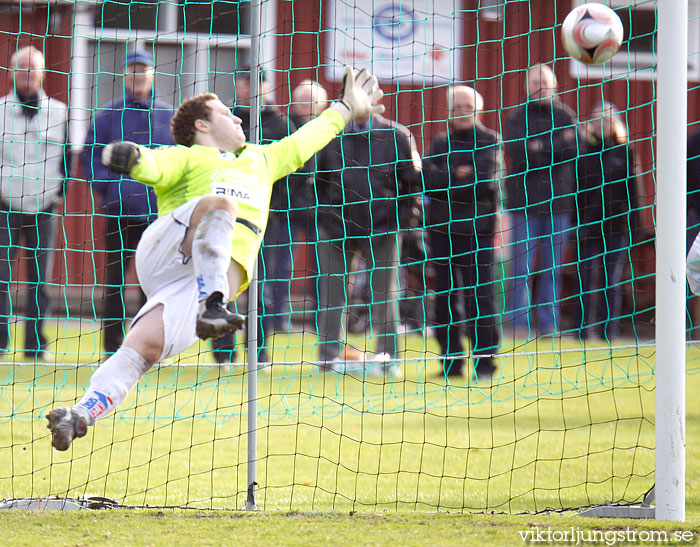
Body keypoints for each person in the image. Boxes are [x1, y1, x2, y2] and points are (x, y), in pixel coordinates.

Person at [46, 66, 385, 451]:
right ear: (203, 127)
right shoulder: (186, 157)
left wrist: (343, 107)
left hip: (197, 285)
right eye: (225, 112)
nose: (237, 116)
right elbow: (156, 165)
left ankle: (80, 415)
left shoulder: (264, 159)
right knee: (222, 204)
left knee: (142, 350)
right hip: (168, 254)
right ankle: (213, 305)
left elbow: (309, 137)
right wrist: (133, 158)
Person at [314, 96, 421, 376]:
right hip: (337, 228)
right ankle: (328, 360)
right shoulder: (330, 136)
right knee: (332, 295)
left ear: (377, 101)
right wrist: (329, 219)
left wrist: (398, 221)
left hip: (384, 228)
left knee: (385, 295)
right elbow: (317, 184)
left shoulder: (397, 136)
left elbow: (411, 184)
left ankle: (387, 360)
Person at [211, 67, 309, 365]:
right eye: (245, 81)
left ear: (267, 85)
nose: (251, 86)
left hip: (266, 220)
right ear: (238, 85)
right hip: (225, 219)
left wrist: (271, 200)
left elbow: (297, 168)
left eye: (258, 81)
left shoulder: (281, 123)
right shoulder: (225, 122)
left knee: (260, 286)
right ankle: (224, 354)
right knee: (223, 284)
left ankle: (259, 352)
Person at [82, 50, 175, 357]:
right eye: (132, 70)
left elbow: (176, 160)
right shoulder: (108, 115)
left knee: (154, 284)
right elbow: (90, 156)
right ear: (125, 74)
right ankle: (112, 348)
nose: (138, 76)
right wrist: (110, 188)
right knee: (114, 282)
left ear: (152, 74)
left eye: (143, 70)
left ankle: (149, 347)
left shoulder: (167, 116)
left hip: (155, 215)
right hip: (119, 212)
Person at [424, 85, 501, 380]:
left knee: (479, 298)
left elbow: (484, 183)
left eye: (467, 105)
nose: (462, 110)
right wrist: (458, 175)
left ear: (478, 109)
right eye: (456, 105)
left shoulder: (490, 140)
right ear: (448, 110)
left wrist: (449, 179)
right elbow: (427, 179)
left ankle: (485, 364)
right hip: (441, 231)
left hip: (477, 233)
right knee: (443, 298)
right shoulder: (440, 143)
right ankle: (451, 363)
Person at [0, 46, 68, 361]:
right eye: (22, 67)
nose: (28, 73)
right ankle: (1, 343)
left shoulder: (60, 112)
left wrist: (57, 195)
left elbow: (68, 158)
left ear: (42, 73)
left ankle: (35, 346)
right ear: (12, 72)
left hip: (44, 208)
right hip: (6, 207)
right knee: (1, 278)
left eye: (33, 68)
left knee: (40, 280)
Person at [503, 64, 578, 336]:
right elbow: (517, 149)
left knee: (552, 269)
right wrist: (553, 145)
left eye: (544, 81)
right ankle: (518, 324)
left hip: (558, 204)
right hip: (523, 204)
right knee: (520, 267)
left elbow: (573, 149)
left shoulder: (565, 115)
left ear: (554, 85)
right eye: (535, 81)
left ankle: (549, 325)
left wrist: (540, 145)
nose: (540, 86)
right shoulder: (517, 117)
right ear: (527, 85)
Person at [576, 102, 639, 340]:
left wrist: (635, 227)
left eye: (607, 120)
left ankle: (608, 330)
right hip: (587, 227)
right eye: (598, 119)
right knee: (585, 278)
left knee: (610, 280)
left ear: (615, 123)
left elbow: (634, 191)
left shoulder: (626, 152)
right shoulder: (583, 151)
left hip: (616, 227)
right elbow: (574, 190)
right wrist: (576, 223)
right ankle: (581, 330)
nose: (603, 124)